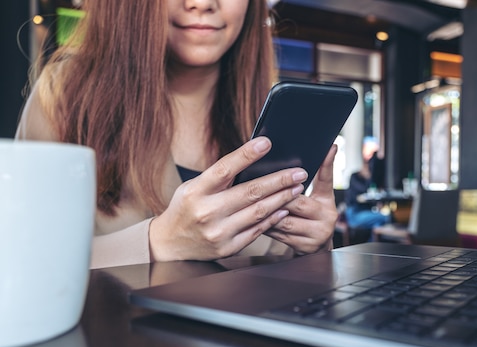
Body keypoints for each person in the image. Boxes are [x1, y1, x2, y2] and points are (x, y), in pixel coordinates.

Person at [15, 0, 338, 269]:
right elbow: (22, 261)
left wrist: (312, 247)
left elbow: (277, 274)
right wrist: (158, 242)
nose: (202, 4)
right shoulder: (66, 98)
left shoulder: (266, 114)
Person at [343, 141, 391, 231]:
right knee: (385, 218)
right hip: (354, 213)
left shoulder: (371, 179)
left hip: (366, 211)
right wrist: (368, 178)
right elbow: (364, 191)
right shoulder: (354, 177)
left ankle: (373, 244)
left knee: (378, 225)